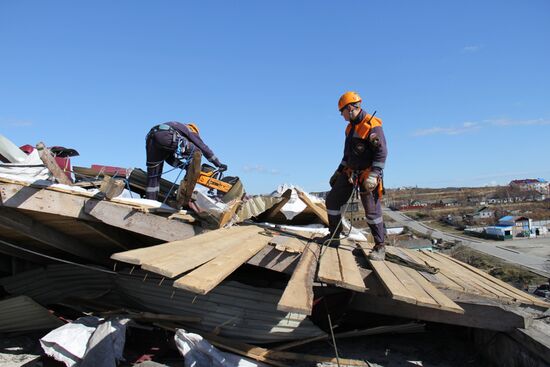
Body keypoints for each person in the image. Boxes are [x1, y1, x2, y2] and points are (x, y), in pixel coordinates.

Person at [323, 91, 388, 260]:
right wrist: (338, 171)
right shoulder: (350, 128)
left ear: (350, 108)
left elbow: (382, 153)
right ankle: (334, 236)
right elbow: (347, 155)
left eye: (342, 111)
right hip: (350, 171)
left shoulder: (372, 126)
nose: (341, 115)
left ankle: (380, 247)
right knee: (332, 201)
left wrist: (374, 175)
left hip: (368, 174)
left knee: (372, 212)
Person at [145, 122, 227, 201]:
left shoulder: (176, 126)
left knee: (154, 175)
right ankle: (186, 189)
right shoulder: (190, 129)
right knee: (196, 151)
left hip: (151, 140)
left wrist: (185, 167)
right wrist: (218, 164)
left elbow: (170, 159)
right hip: (166, 135)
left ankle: (150, 201)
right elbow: (202, 147)